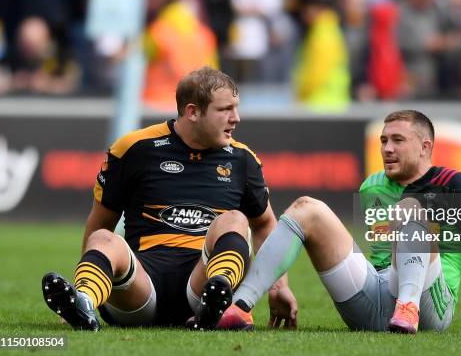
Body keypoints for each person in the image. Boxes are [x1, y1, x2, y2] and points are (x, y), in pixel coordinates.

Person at [217, 110, 461, 335]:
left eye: (397, 140)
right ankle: (239, 306)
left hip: (429, 309)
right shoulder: (373, 185)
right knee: (305, 207)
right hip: (374, 297)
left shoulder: (460, 188)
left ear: (425, 147)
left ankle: (406, 308)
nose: (386, 148)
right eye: (382, 140)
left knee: (411, 208)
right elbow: (379, 252)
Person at [41, 66, 297, 331]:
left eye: (236, 108)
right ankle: (82, 301)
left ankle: (216, 301)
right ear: (192, 112)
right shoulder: (133, 149)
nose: (236, 118)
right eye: (225, 110)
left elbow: (266, 226)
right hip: (140, 286)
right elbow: (100, 223)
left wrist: (278, 287)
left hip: (200, 281)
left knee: (235, 220)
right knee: (103, 238)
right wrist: (86, 278)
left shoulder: (244, 160)